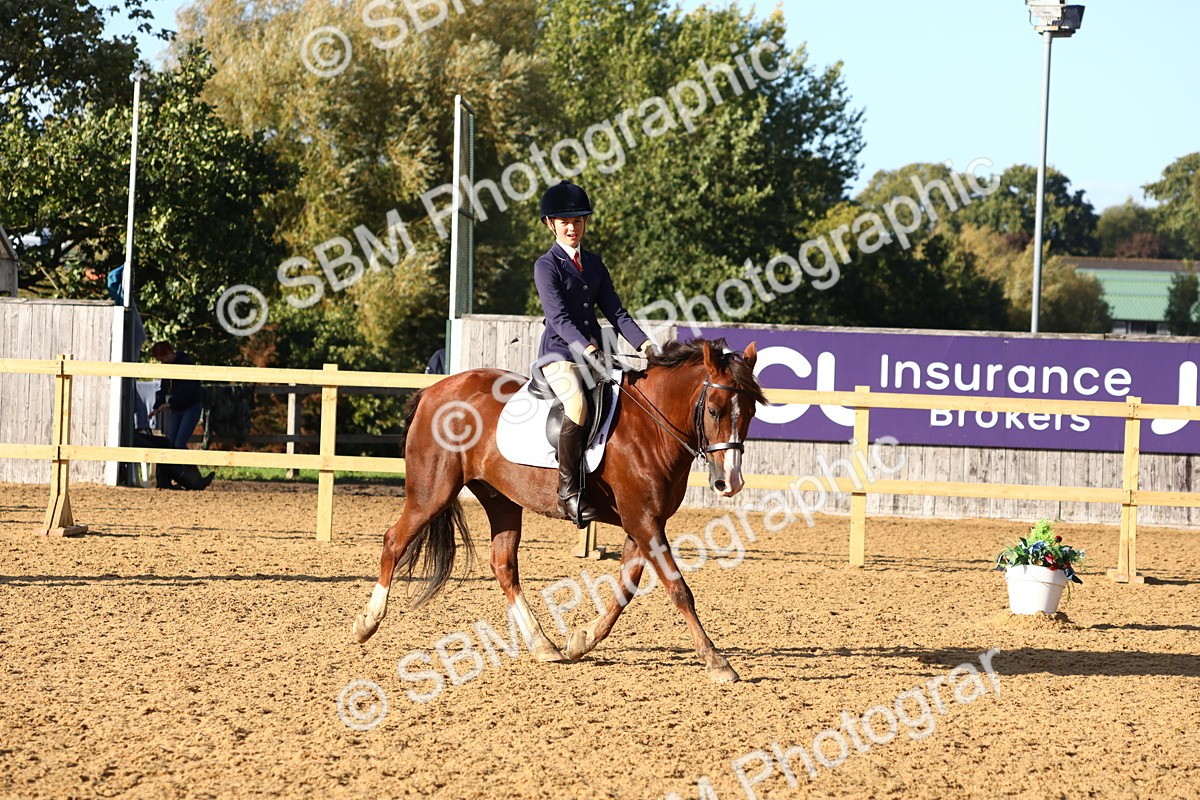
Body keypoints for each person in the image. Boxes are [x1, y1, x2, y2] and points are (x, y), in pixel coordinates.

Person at [533, 180, 654, 524]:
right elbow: (558, 318)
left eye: (578, 220)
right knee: (577, 404)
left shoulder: (595, 264)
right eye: (564, 222)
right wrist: (586, 347)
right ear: (551, 224)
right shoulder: (547, 265)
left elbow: (616, 313)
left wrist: (646, 345)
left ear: (586, 223)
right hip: (559, 355)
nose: (572, 227)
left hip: (595, 355)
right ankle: (568, 493)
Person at [148, 342, 206, 450]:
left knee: (179, 444)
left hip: (191, 406)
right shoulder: (167, 366)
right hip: (176, 408)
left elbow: (187, 388)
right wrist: (157, 406)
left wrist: (170, 403)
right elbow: (163, 386)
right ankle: (176, 466)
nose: (163, 362)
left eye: (164, 358)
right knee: (170, 443)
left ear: (170, 352)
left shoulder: (186, 363)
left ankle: (185, 466)